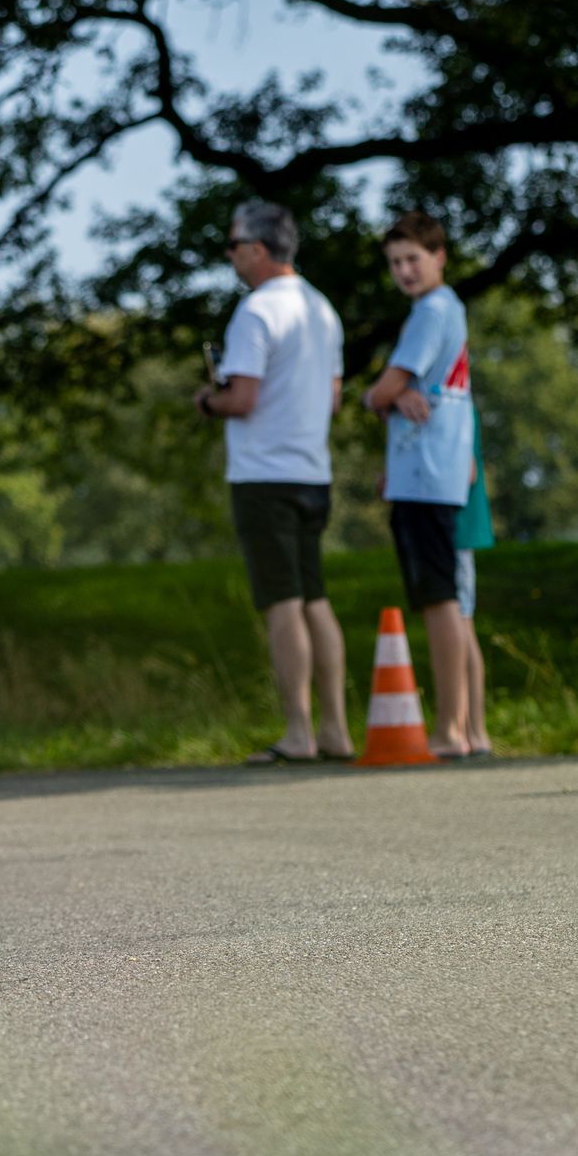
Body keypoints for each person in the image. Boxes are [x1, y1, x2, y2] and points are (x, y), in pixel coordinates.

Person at [194, 201, 353, 766]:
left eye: (234, 246)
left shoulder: (256, 311)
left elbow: (243, 397)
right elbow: (333, 398)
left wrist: (208, 401)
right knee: (316, 599)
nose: (231, 256)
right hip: (314, 470)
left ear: (258, 250)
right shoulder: (323, 310)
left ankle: (298, 734)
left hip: (264, 475)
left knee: (281, 602)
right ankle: (336, 730)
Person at [364, 210, 475, 758]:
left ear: (439, 256)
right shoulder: (443, 310)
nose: (404, 271)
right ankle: (465, 728)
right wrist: (391, 396)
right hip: (430, 470)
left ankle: (450, 728)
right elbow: (396, 392)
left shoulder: (431, 311)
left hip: (427, 475)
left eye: (412, 259)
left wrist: (379, 395)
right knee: (444, 598)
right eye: (394, 263)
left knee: (439, 600)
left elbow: (384, 389)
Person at [454, 403, 494, 760]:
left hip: (456, 524)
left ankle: (473, 730)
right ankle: (469, 730)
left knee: (461, 622)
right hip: (455, 524)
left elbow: (464, 469)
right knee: (461, 622)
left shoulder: (455, 401)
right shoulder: (459, 399)